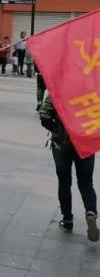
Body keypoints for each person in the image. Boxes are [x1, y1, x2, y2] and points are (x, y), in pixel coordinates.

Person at [39, 93, 99, 242]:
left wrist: (56, 129)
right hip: (85, 144)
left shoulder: (59, 90)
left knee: (64, 182)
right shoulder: (93, 91)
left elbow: (44, 114)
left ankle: (67, 220)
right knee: (86, 183)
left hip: (62, 145)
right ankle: (91, 212)